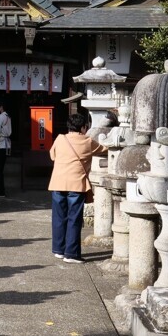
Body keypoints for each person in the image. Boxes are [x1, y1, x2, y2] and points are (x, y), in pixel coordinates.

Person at [48, 113, 107, 263]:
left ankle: (59, 250)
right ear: (83, 127)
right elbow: (104, 149)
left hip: (58, 182)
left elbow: (52, 156)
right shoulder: (87, 142)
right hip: (76, 184)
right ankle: (71, 254)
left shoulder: (60, 139)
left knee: (59, 218)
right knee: (74, 219)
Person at [0, 102, 12, 196]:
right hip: (6, 145)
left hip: (0, 145)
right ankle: (1, 190)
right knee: (0, 169)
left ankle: (0, 191)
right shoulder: (8, 117)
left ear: (1, 107)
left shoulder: (0, 117)